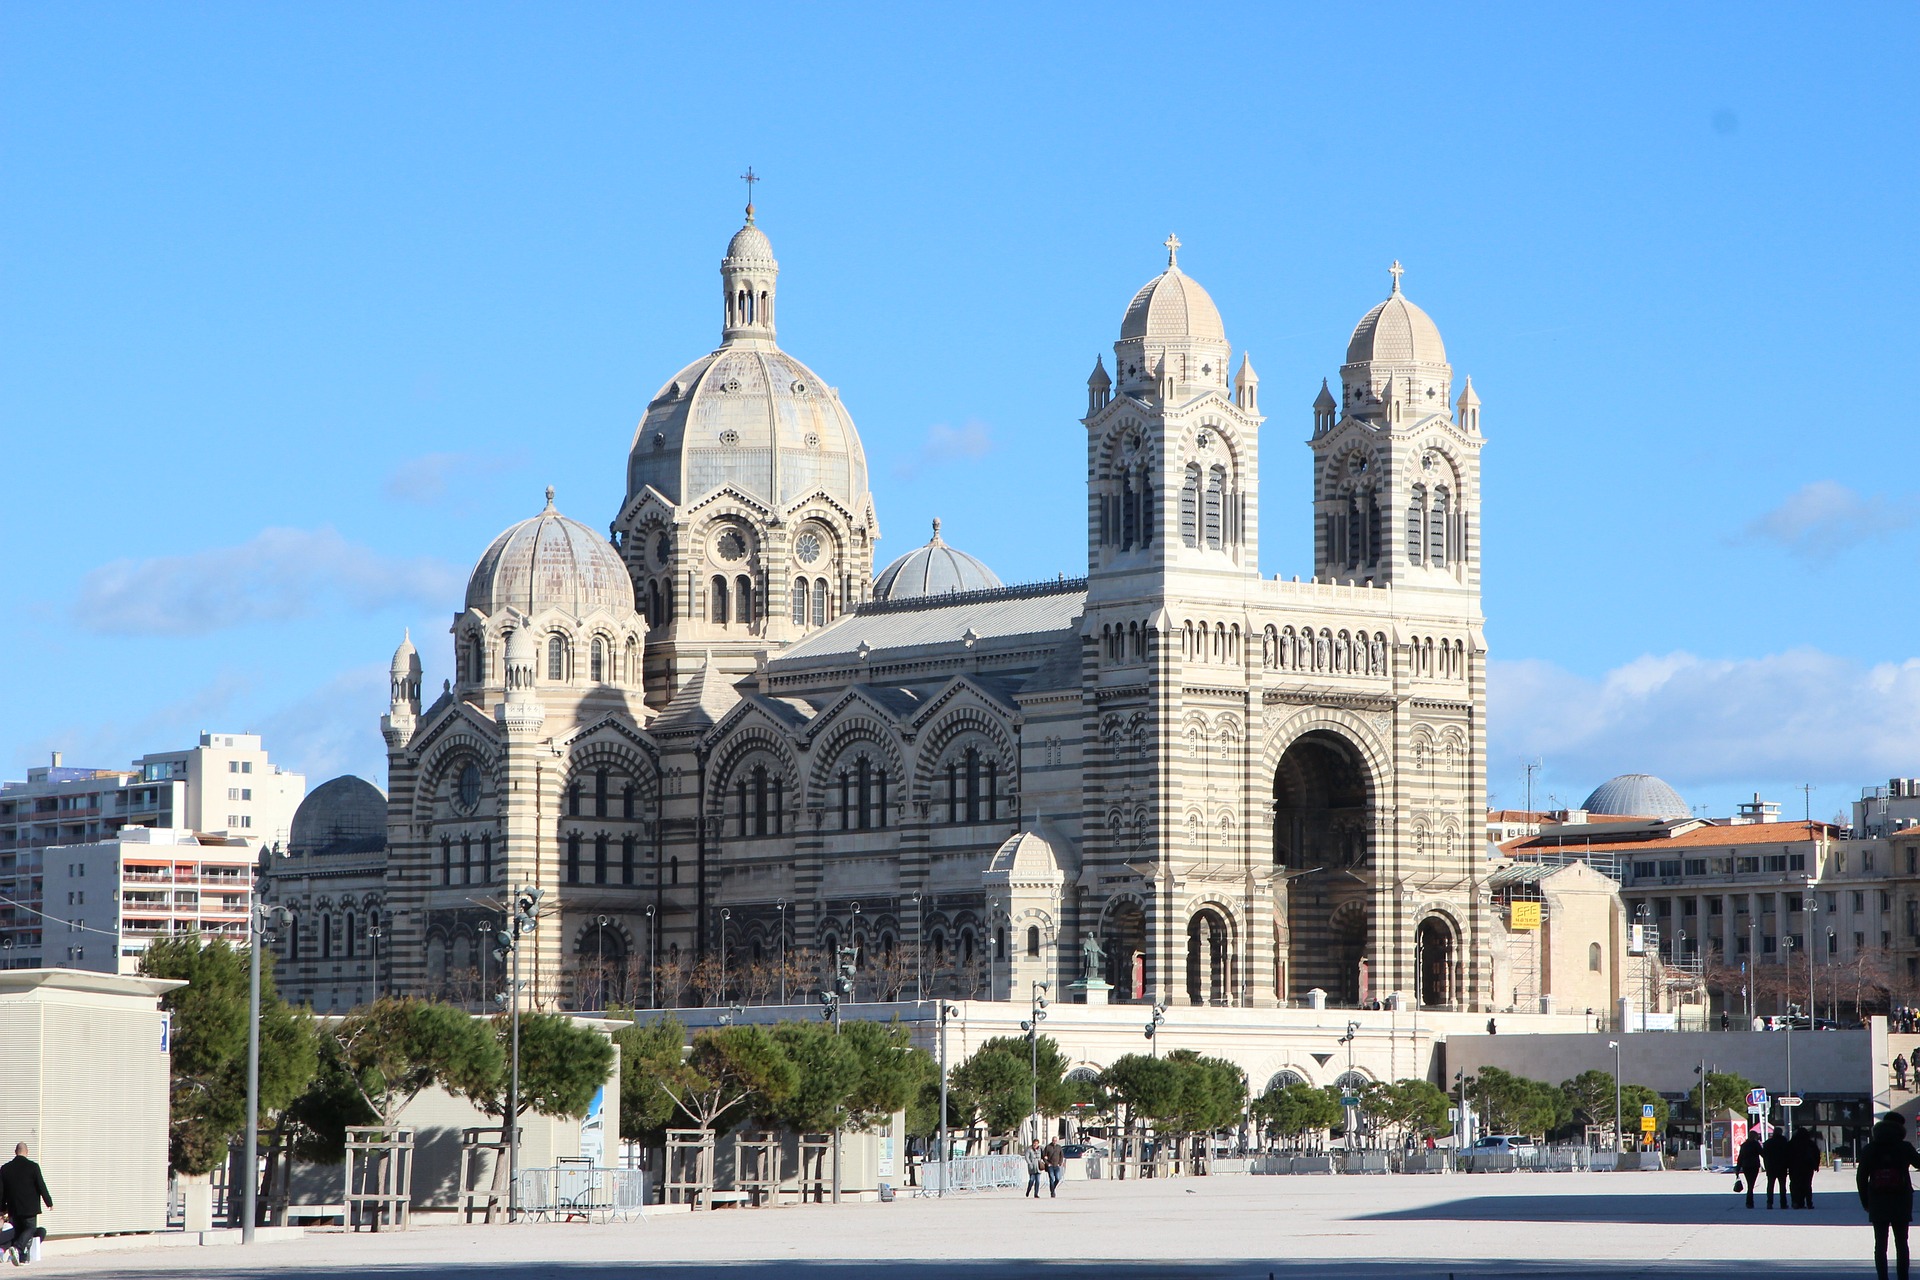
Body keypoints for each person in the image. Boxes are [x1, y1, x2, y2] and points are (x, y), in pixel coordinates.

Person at [1859, 1113, 1920, 1280]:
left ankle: (1883, 1277)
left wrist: (1865, 1200)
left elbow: (1862, 1177)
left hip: (1877, 1199)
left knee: (1880, 1244)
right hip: (1901, 1199)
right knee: (1901, 1242)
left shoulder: (1870, 1149)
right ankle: (1903, 1276)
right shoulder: (1904, 1147)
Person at [0, 1143, 51, 1265]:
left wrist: (2, 1208)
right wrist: (48, 1202)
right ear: (27, 1152)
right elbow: (41, 1186)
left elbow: (1, 1190)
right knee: (30, 1228)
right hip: (30, 1207)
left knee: (18, 1231)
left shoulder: (5, 1168)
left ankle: (22, 1258)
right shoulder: (33, 1167)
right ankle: (17, 1248)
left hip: (14, 1207)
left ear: (15, 1152)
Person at [1789, 1128, 1822, 1209]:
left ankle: (1796, 1202)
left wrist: (1786, 1165)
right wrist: (1816, 1165)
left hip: (1795, 1167)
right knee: (1807, 1184)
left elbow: (1787, 1155)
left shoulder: (1792, 1143)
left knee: (1795, 1184)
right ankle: (1809, 1203)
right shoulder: (1810, 1144)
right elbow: (1817, 1155)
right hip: (1808, 1166)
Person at [1762, 1127, 1792, 1209]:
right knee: (1782, 1186)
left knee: (1770, 1185)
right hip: (1782, 1166)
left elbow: (1764, 1155)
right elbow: (1788, 1155)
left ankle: (1769, 1203)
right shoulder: (1784, 1142)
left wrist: (1766, 1166)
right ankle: (1783, 1203)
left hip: (1771, 1166)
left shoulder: (1768, 1143)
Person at [1737, 1129, 1764, 1209]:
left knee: (1750, 1183)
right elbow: (1762, 1153)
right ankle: (1749, 1202)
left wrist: (1738, 1168)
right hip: (1754, 1165)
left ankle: (1749, 1202)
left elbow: (1740, 1157)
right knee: (1751, 1184)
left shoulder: (1744, 1145)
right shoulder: (1755, 1144)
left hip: (1745, 1166)